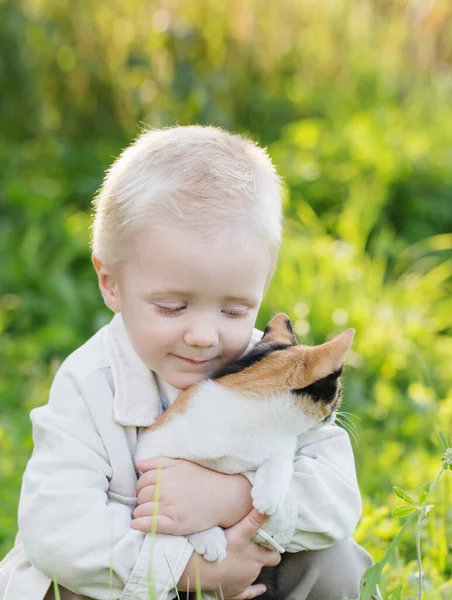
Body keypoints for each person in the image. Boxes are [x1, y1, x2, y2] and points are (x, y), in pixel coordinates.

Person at [0, 125, 375, 600]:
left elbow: (337, 495)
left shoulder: (274, 371)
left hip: (246, 562)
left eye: (235, 310)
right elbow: (57, 530)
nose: (203, 336)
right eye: (173, 307)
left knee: (332, 560)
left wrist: (234, 500)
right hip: (127, 579)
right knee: (59, 585)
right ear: (111, 283)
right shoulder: (90, 383)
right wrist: (187, 568)